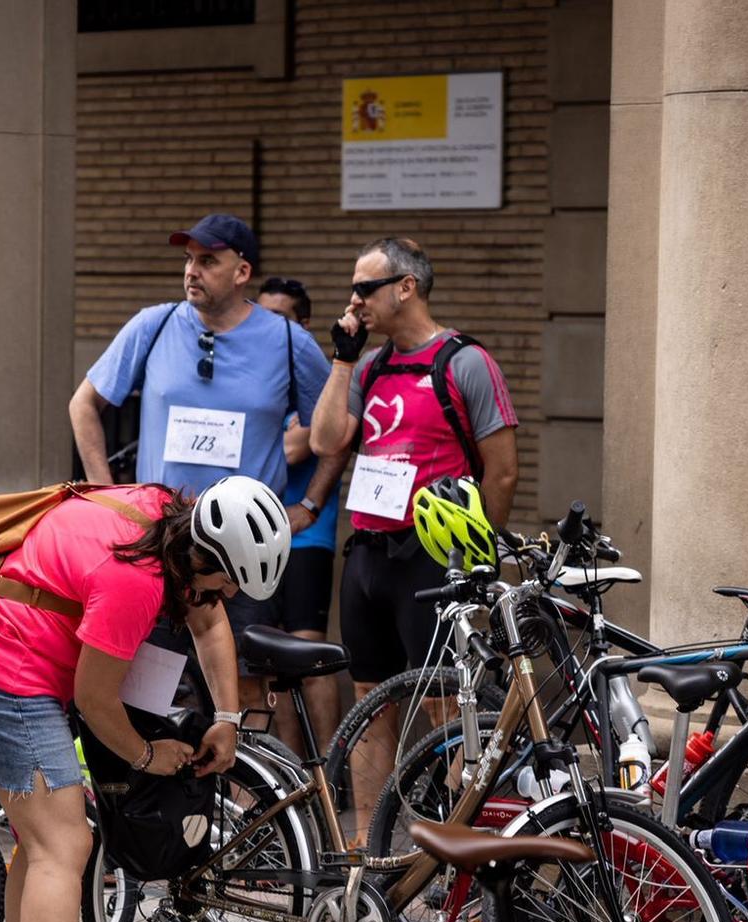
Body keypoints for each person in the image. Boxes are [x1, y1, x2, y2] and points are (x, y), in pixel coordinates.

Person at [0, 475, 291, 922]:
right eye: (226, 581)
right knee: (64, 845)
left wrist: (228, 719)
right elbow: (97, 700)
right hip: (5, 676)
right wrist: (148, 756)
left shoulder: (164, 516)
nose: (227, 594)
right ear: (204, 555)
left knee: (40, 842)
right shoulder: (134, 580)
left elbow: (208, 624)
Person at [69, 214, 332, 717]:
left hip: (245, 551)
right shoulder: (155, 324)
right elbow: (84, 405)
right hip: (163, 543)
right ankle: (163, 791)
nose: (192, 270)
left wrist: (311, 504)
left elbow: (338, 430)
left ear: (241, 272)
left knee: (246, 691)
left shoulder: (287, 340)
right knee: (152, 692)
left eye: (208, 260)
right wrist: (108, 499)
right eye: (189, 259)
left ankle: (246, 793)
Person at [309, 237, 519, 834]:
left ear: (406, 287)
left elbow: (501, 470)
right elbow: (327, 441)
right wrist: (343, 359)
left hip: (432, 561)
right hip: (368, 556)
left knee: (450, 710)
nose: (354, 300)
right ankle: (370, 859)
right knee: (373, 707)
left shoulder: (464, 361)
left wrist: (478, 557)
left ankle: (451, 864)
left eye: (364, 288)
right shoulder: (370, 365)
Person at [254, 278, 345, 759]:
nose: (268, 329)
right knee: (270, 660)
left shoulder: (315, 378)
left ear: (303, 326)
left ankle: (330, 768)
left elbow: (293, 448)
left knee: (309, 652)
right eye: (261, 316)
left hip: (306, 538)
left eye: (280, 319)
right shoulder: (264, 378)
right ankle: (290, 766)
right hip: (258, 540)